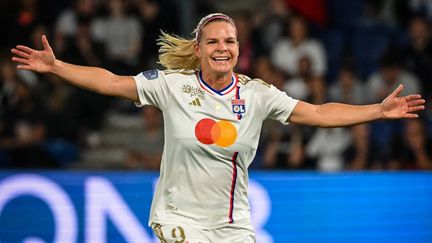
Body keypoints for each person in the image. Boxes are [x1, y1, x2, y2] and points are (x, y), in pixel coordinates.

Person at [11, 12, 425, 243]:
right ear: (199, 49)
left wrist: (377, 110)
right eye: (213, 41)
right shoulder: (172, 86)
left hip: (233, 225)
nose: (222, 47)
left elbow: (317, 113)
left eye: (229, 41)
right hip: (179, 220)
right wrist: (57, 66)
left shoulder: (259, 93)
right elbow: (112, 82)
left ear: (239, 49)